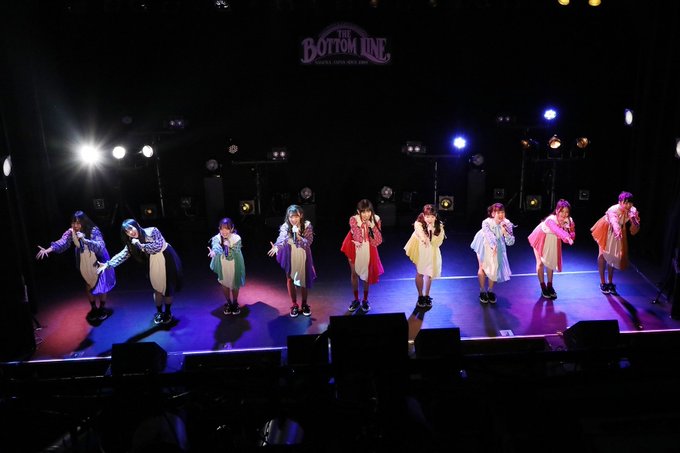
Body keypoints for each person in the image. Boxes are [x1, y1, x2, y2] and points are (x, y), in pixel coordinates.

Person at [97, 218, 182, 325]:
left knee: (167, 289)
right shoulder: (132, 242)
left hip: (167, 259)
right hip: (153, 263)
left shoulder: (152, 231)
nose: (131, 232)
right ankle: (160, 312)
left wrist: (141, 246)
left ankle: (168, 312)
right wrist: (108, 264)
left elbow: (158, 246)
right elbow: (123, 254)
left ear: (136, 225)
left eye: (131, 228)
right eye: (127, 231)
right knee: (157, 289)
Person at [36, 210, 116, 322]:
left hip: (99, 258)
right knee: (88, 283)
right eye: (73, 223)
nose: (75, 225)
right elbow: (62, 242)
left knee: (102, 283)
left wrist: (84, 239)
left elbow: (100, 246)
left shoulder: (93, 230)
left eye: (78, 223)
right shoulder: (71, 232)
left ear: (84, 222)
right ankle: (94, 308)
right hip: (85, 261)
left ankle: (102, 308)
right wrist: (47, 250)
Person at [267, 204, 316, 318]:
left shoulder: (307, 225)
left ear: (301, 215)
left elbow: (309, 242)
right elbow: (282, 239)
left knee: (304, 278)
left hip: (303, 254)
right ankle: (294, 304)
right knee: (290, 278)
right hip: (290, 255)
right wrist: (277, 247)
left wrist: (299, 237)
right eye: (291, 217)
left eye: (296, 216)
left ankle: (304, 304)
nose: (293, 219)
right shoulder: (285, 227)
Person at [591, 191, 641, 295]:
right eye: (625, 203)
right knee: (602, 255)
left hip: (619, 231)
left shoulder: (632, 210)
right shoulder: (613, 209)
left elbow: (635, 225)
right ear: (620, 202)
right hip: (606, 229)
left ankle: (610, 282)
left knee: (612, 255)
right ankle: (602, 282)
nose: (628, 205)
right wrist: (617, 231)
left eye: (630, 203)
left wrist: (635, 221)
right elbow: (614, 222)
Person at [340, 199, 384, 313]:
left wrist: (372, 227)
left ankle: (365, 299)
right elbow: (357, 236)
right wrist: (361, 234)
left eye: (368, 211)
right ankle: (356, 299)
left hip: (369, 247)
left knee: (367, 274)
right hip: (354, 247)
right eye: (363, 212)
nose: (366, 214)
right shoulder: (354, 219)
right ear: (358, 212)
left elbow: (377, 241)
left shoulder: (376, 219)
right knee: (354, 273)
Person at [527, 199, 575, 299]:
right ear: (557, 210)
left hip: (552, 239)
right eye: (562, 211)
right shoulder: (551, 219)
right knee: (540, 263)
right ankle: (543, 286)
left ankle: (550, 285)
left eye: (566, 212)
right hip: (540, 237)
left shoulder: (569, 220)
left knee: (550, 262)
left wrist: (569, 229)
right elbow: (557, 230)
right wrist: (566, 236)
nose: (564, 214)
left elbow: (571, 236)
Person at [470, 203, 515, 304]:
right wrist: (493, 245)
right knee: (482, 267)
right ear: (493, 213)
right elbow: (488, 235)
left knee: (494, 268)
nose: (501, 215)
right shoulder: (486, 222)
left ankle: (490, 291)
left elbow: (511, 242)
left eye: (502, 212)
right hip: (483, 243)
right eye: (498, 212)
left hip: (498, 245)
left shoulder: (507, 223)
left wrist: (505, 232)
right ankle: (482, 291)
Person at [403, 204, 445, 308]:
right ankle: (420, 296)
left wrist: (432, 231)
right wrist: (426, 236)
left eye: (432, 216)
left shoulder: (439, 225)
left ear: (435, 216)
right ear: (423, 215)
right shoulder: (418, 223)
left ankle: (427, 295)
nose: (429, 219)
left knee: (429, 273)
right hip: (419, 248)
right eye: (427, 216)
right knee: (420, 272)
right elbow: (422, 236)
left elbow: (437, 242)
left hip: (432, 249)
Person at [208, 217, 245, 315]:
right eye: (222, 228)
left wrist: (228, 246)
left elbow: (233, 253)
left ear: (232, 229)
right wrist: (214, 252)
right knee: (224, 283)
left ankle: (235, 303)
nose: (224, 231)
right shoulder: (216, 238)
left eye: (227, 228)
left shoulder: (237, 238)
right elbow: (216, 246)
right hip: (223, 265)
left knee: (235, 284)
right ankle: (228, 303)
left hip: (234, 264)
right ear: (219, 229)